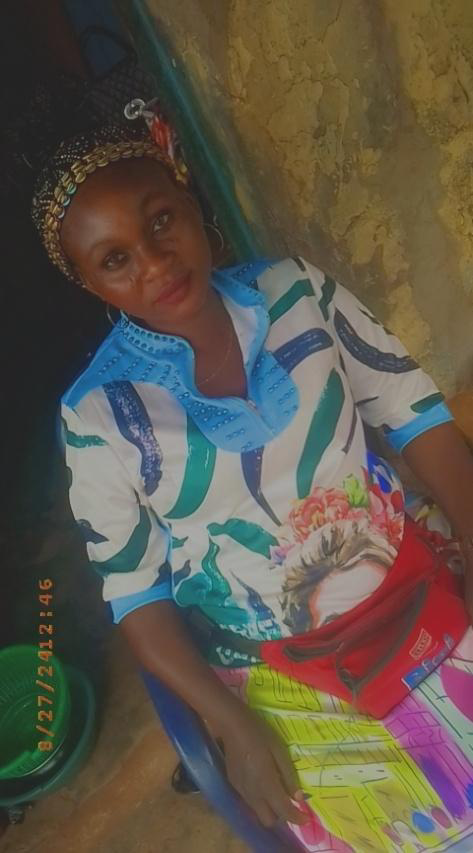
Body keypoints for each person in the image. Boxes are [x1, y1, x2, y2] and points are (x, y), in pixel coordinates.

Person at [32, 123, 473, 851]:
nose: (154, 262)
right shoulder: (100, 417)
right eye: (115, 259)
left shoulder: (299, 293)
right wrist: (228, 721)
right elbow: (135, 591)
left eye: (160, 220)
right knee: (429, 824)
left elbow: (411, 411)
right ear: (91, 283)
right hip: (278, 662)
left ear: (186, 194)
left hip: (413, 574)